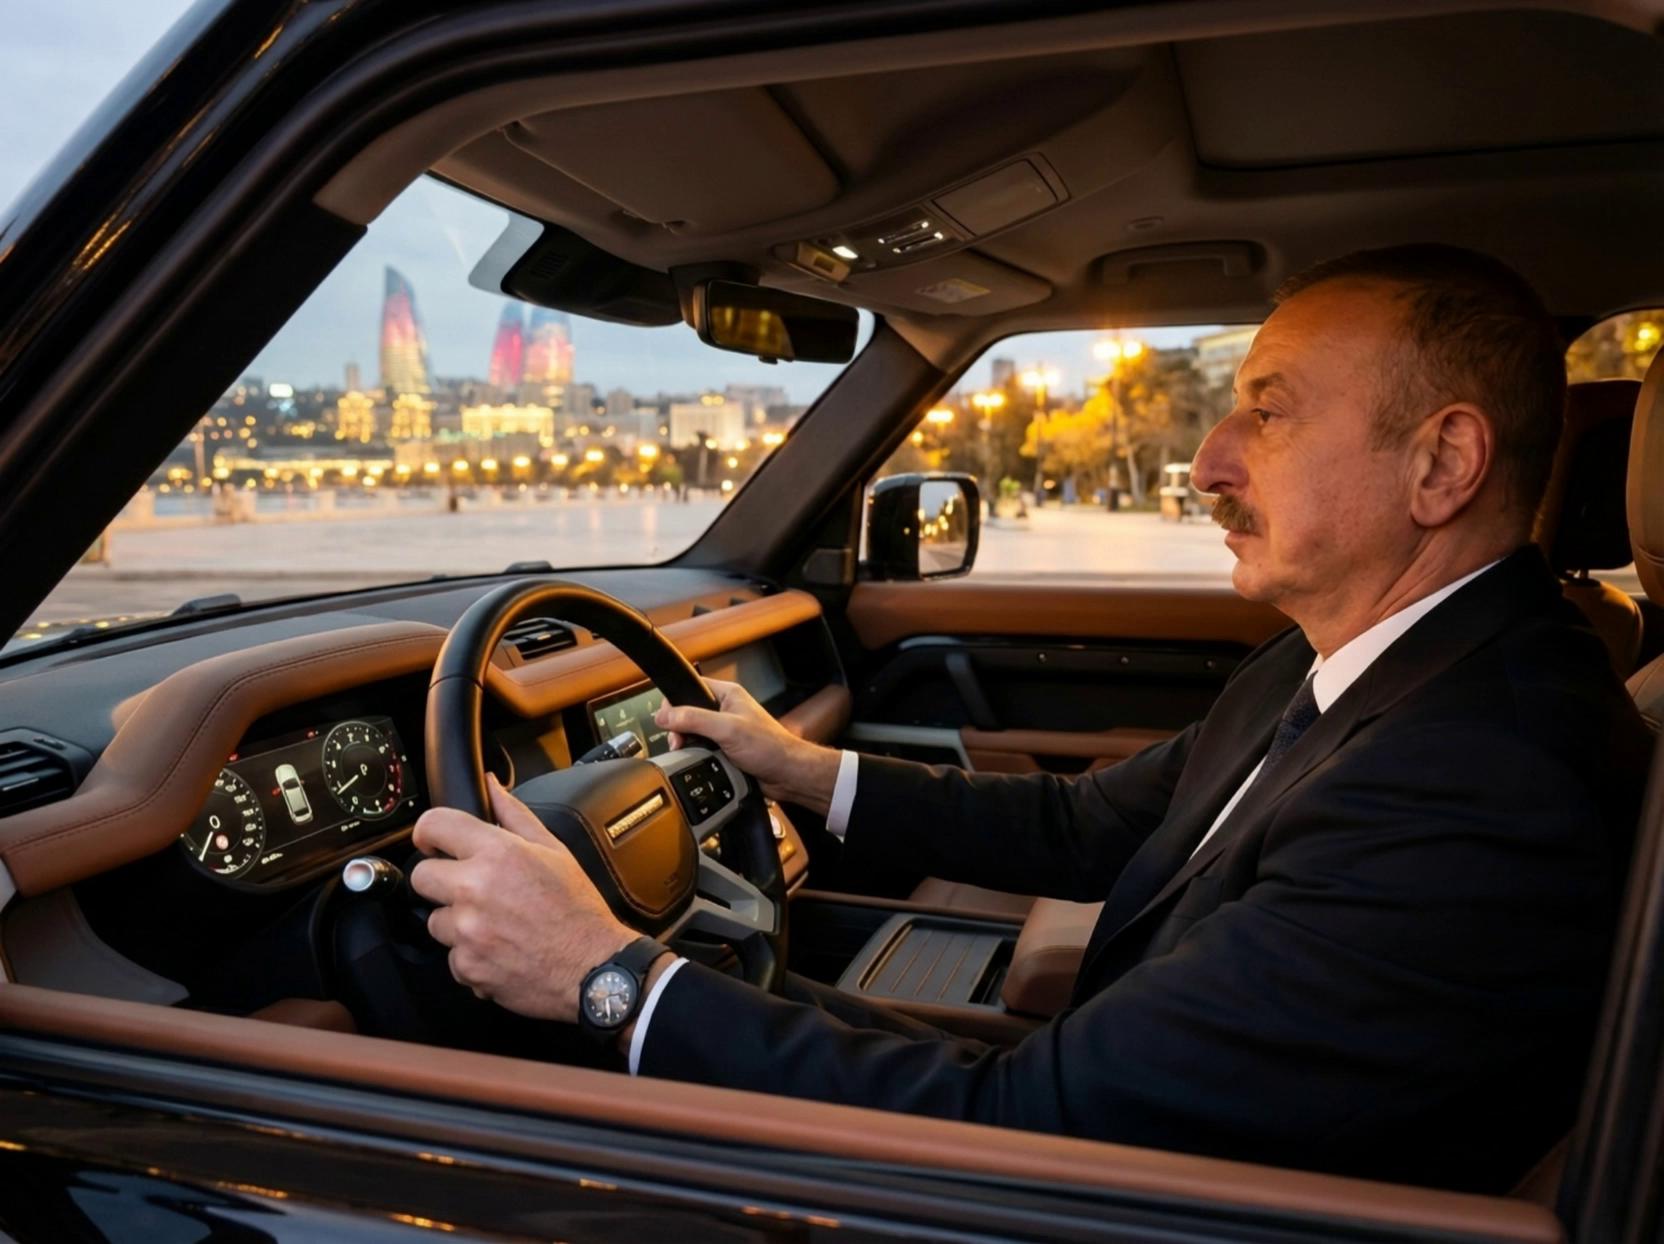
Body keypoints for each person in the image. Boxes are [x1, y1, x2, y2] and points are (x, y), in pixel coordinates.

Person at [408, 245, 1652, 1193]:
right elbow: (1085, 828)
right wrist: (795, 766)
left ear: (1440, 466)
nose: (1209, 460)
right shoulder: (1365, 660)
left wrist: (604, 976)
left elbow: (1030, 1133)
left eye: (1266, 411)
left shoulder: (1476, 780)